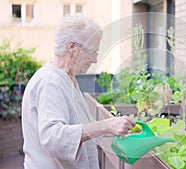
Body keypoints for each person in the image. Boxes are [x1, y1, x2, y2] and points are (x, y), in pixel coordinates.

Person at [21, 14, 136, 169]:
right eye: (92, 52)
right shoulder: (50, 82)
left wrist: (117, 129)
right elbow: (54, 138)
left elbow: (83, 130)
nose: (94, 60)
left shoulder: (67, 80)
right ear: (72, 47)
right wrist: (107, 125)